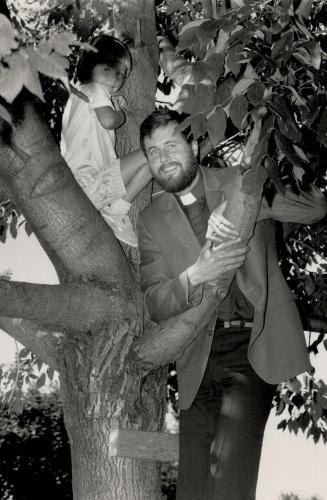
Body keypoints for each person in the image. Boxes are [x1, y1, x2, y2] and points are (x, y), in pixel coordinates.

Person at [137, 108, 327, 500]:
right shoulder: (151, 218)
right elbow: (154, 302)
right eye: (153, 152)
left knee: (229, 489)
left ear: (192, 143)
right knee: (192, 493)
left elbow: (315, 207)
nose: (164, 157)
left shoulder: (240, 180)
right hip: (194, 363)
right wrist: (195, 275)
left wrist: (241, 203)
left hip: (249, 350)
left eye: (171, 144)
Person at [61, 34, 152, 247]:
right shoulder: (94, 88)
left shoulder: (78, 96)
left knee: (153, 159)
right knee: (154, 152)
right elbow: (109, 120)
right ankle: (117, 211)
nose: (116, 78)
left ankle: (112, 210)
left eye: (122, 74)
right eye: (109, 69)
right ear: (90, 65)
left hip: (81, 188)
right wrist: (121, 113)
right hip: (88, 183)